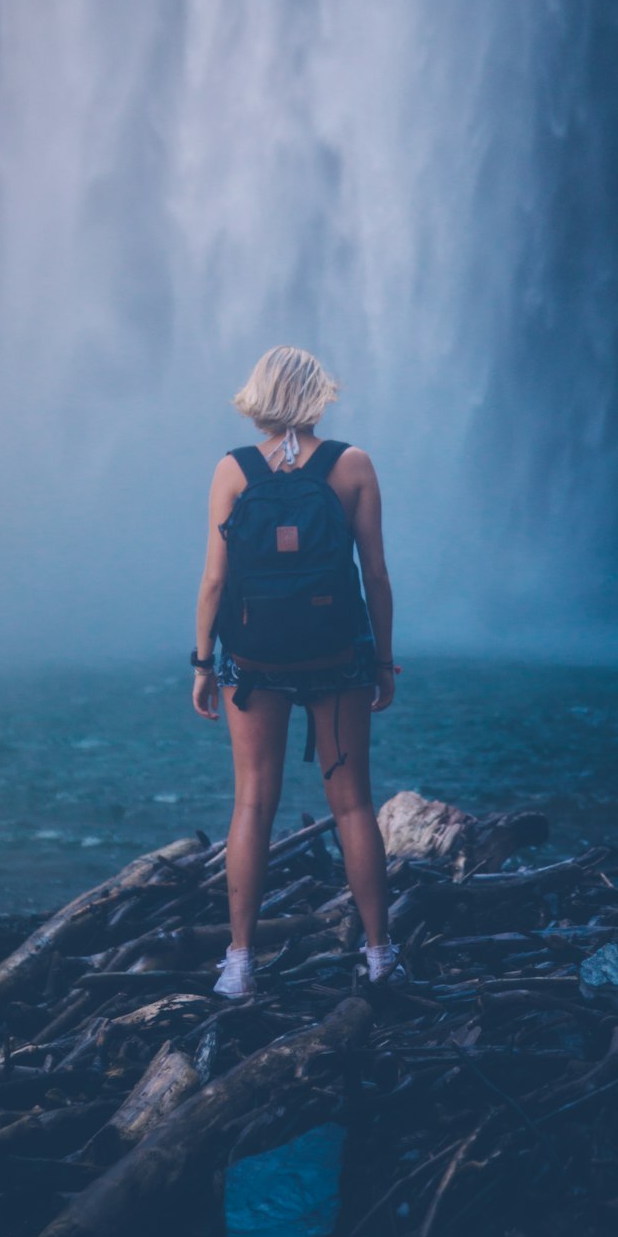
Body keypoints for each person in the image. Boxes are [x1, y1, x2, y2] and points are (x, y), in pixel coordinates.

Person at [191, 345, 402, 997]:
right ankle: (379, 956)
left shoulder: (233, 470)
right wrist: (383, 661)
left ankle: (240, 964)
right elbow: (375, 576)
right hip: (339, 660)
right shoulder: (353, 466)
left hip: (253, 662)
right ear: (319, 397)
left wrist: (204, 663)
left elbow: (215, 581)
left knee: (253, 802)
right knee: (355, 805)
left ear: (259, 395)